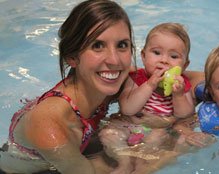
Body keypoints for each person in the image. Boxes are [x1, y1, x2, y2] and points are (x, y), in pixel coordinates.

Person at [0, 0, 135, 173]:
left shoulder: (110, 78)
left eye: (122, 45)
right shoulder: (50, 125)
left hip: (75, 148)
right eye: (97, 46)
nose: (115, 61)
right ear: (72, 57)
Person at [99, 22, 205, 174]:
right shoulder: (136, 78)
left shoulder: (182, 84)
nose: (164, 61)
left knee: (157, 137)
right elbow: (128, 109)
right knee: (108, 134)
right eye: (156, 53)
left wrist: (179, 94)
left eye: (174, 56)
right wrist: (149, 85)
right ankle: (124, 163)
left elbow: (184, 114)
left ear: (185, 65)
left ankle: (142, 166)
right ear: (143, 56)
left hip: (156, 130)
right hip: (128, 124)